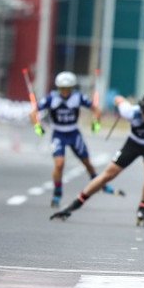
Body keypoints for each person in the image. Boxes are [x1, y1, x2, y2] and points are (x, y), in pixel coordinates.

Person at [50, 94, 144, 226]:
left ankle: (143, 208)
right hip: (133, 144)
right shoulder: (130, 112)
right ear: (141, 111)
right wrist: (119, 101)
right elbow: (118, 98)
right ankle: (74, 204)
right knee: (108, 175)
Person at [30, 71, 113, 208]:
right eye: (62, 89)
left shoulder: (78, 97)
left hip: (74, 133)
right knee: (59, 163)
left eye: (68, 89)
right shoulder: (51, 98)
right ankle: (57, 192)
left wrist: (96, 122)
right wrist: (37, 127)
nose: (65, 92)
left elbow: (97, 110)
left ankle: (99, 184)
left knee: (87, 162)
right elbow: (33, 113)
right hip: (59, 134)